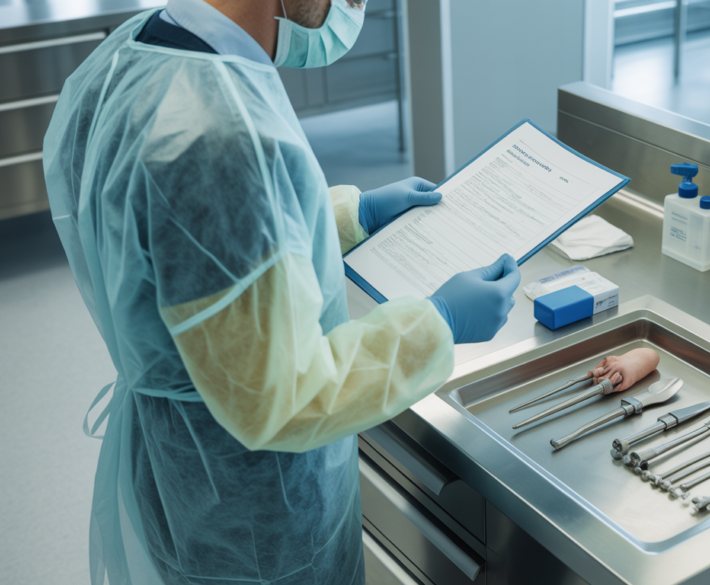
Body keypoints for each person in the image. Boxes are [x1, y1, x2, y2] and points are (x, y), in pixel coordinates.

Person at [42, 1, 520, 583]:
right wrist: (438, 323)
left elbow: (187, 246)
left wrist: (347, 217)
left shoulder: (135, 52)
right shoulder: (219, 132)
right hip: (252, 518)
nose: (353, 8)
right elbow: (285, 397)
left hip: (182, 470)